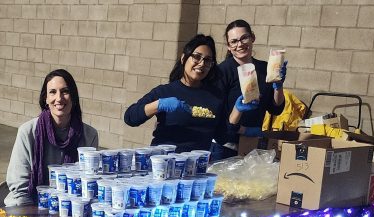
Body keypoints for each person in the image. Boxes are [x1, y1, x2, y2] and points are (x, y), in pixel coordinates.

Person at [4, 69, 99, 207]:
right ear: (46, 98)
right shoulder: (27, 132)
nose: (59, 98)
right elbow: (20, 188)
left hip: (68, 208)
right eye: (53, 92)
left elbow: (86, 184)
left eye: (65, 91)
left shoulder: (89, 135)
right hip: (27, 206)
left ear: (73, 97)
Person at [123, 34, 226, 153]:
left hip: (197, 166)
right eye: (197, 57)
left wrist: (237, 112)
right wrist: (159, 105)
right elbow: (130, 117)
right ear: (183, 58)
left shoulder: (215, 97)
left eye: (207, 60)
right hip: (163, 163)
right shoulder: (165, 91)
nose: (202, 63)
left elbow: (222, 137)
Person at [211, 19, 288, 160]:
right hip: (224, 147)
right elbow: (215, 115)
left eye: (244, 38)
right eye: (233, 41)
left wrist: (278, 86)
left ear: (252, 37)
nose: (239, 44)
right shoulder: (222, 72)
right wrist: (244, 130)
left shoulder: (265, 69)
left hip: (252, 146)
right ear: (228, 46)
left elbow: (275, 108)